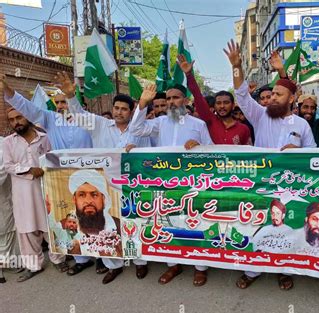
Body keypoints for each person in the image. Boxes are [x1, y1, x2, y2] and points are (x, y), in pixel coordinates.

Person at [55, 72, 150, 280]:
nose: (118, 112)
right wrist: (71, 96)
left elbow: (149, 157)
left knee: (134, 223)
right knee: (108, 225)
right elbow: (79, 115)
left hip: (132, 185)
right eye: (116, 108)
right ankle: (113, 264)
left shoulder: (139, 130)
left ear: (131, 111)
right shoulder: (99, 124)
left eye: (124, 109)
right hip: (105, 186)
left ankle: (140, 262)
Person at [129, 82, 213, 286]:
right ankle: (173, 265)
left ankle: (200, 268)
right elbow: (136, 129)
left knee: (195, 222)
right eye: (168, 99)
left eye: (175, 98)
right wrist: (142, 103)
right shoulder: (160, 123)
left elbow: (212, 152)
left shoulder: (198, 124)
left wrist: (199, 146)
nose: (171, 102)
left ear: (185, 100)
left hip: (192, 183)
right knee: (170, 223)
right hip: (165, 182)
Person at [2, 107, 67, 282]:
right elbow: (8, 166)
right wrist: (30, 170)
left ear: (28, 117)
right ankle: (33, 266)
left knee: (51, 225)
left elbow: (54, 159)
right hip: (22, 193)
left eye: (19, 117)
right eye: (12, 120)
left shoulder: (44, 138)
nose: (16, 122)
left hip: (46, 189)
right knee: (27, 229)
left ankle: (58, 259)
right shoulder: (8, 142)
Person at [225, 39, 316, 150]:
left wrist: (298, 152)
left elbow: (311, 154)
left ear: (291, 99)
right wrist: (236, 67)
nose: (273, 97)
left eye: (278, 94)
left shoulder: (302, 125)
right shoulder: (261, 115)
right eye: (272, 94)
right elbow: (241, 95)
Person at [49, 169, 125, 284]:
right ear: (74, 199)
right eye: (82, 195)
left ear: (103, 199)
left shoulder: (118, 225)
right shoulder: (66, 224)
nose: (88, 201)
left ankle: (114, 267)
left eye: (94, 194)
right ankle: (82, 261)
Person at [0, 73, 93, 150]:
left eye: (64, 102)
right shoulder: (51, 119)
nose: (59, 106)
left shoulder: (89, 120)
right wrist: (6, 88)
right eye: (57, 102)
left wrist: (70, 95)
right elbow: (24, 105)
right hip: (61, 170)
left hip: (88, 169)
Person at [177, 54, 252, 145]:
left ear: (233, 105)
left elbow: (249, 154)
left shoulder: (243, 129)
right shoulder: (210, 121)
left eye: (226, 102)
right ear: (214, 106)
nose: (222, 106)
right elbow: (198, 97)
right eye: (218, 103)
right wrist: (189, 75)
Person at [247, 199, 295, 289]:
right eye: (273, 213)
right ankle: (253, 273)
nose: (274, 216)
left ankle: (284, 274)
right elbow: (255, 243)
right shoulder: (265, 229)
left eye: (277, 213)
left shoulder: (289, 230)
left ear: (283, 215)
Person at [0, 136, 21, 283]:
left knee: (6, 229)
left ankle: (8, 262)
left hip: (3, 196)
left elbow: (3, 169)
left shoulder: (3, 143)